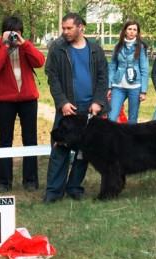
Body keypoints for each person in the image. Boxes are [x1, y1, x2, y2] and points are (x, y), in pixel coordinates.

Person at [44, 13, 109, 203]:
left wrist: (98, 101)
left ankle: (74, 188)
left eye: (69, 28)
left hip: (91, 110)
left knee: (84, 153)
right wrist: (62, 102)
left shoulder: (96, 50)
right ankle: (54, 192)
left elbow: (103, 78)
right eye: (63, 28)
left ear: (81, 27)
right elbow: (52, 77)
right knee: (60, 149)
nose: (65, 32)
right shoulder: (57, 49)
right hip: (68, 108)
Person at [0, 16, 45, 192]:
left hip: (28, 99)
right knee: (5, 140)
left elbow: (40, 61)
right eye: (11, 32)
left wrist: (24, 44)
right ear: (3, 32)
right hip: (5, 100)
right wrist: (4, 46)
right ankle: (4, 181)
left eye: (17, 33)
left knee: (30, 139)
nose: (14, 36)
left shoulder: (25, 47)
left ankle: (30, 180)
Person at [108, 20, 149, 123]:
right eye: (129, 29)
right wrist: (109, 86)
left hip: (135, 87)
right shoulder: (118, 46)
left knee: (132, 119)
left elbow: (144, 69)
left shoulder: (141, 47)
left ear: (137, 32)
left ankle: (131, 139)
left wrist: (143, 91)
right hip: (118, 87)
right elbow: (112, 66)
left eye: (134, 30)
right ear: (125, 31)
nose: (132, 32)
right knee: (111, 117)